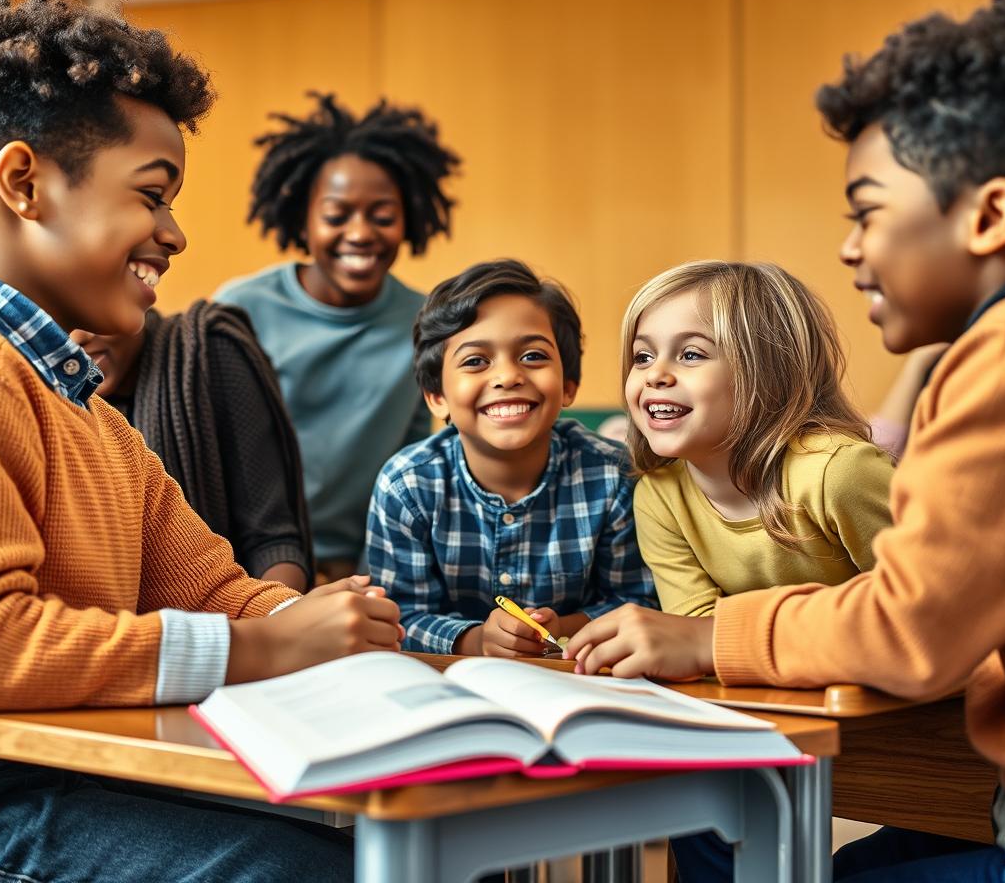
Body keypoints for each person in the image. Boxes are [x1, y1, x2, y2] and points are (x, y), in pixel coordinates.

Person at [564, 0, 1005, 881]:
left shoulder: (992, 362)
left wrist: (705, 640)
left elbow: (910, 626)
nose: (849, 249)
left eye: (867, 212)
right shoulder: (658, 485)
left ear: (990, 216)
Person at [0, 0, 402, 883]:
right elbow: (0, 643)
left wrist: (326, 628)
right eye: (152, 196)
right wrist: (267, 648)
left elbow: (218, 590)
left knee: (370, 844)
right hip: (8, 800)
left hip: (68, 773)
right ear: (24, 184)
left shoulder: (95, 422)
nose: (174, 234)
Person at [215, 93, 459, 581]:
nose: (361, 232)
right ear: (302, 220)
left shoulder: (428, 323)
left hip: (367, 570)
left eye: (382, 215)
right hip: (245, 566)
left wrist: (373, 577)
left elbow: (410, 465)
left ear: (408, 217)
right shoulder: (240, 309)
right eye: (336, 215)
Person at [366, 259, 657, 656]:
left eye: (533, 356)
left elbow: (639, 600)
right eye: (475, 361)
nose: (507, 376)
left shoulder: (614, 477)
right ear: (437, 397)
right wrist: (478, 640)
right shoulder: (406, 486)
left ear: (569, 384)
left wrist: (564, 627)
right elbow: (401, 615)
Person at [625, 259, 892, 620]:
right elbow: (697, 630)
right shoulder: (660, 496)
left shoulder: (840, 473)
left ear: (767, 373)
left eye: (691, 354)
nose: (655, 374)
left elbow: (928, 606)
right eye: (642, 356)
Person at [70, 300, 313, 591]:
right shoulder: (52, 401)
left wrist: (281, 621)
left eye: (92, 311)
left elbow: (272, 539)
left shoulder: (203, 354)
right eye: (61, 318)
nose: (78, 338)